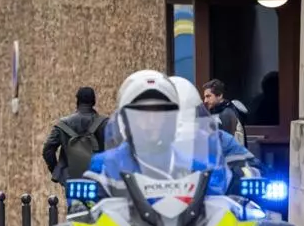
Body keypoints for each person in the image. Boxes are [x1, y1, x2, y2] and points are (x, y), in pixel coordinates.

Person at [88, 70, 233, 196]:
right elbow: (85, 211)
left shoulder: (194, 167)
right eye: (142, 113)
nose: (151, 121)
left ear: (172, 118)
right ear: (126, 119)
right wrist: (79, 206)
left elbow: (218, 201)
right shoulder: (104, 167)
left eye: (159, 113)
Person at [42, 86, 108, 183]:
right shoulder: (105, 123)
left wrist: (58, 172)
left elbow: (48, 150)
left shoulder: (63, 124)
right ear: (94, 102)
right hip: (98, 177)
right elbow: (115, 147)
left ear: (77, 101)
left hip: (71, 178)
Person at [202, 79, 246, 145]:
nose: (205, 100)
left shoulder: (227, 113)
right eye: (205, 97)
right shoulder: (217, 111)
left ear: (219, 95)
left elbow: (225, 143)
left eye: (208, 96)